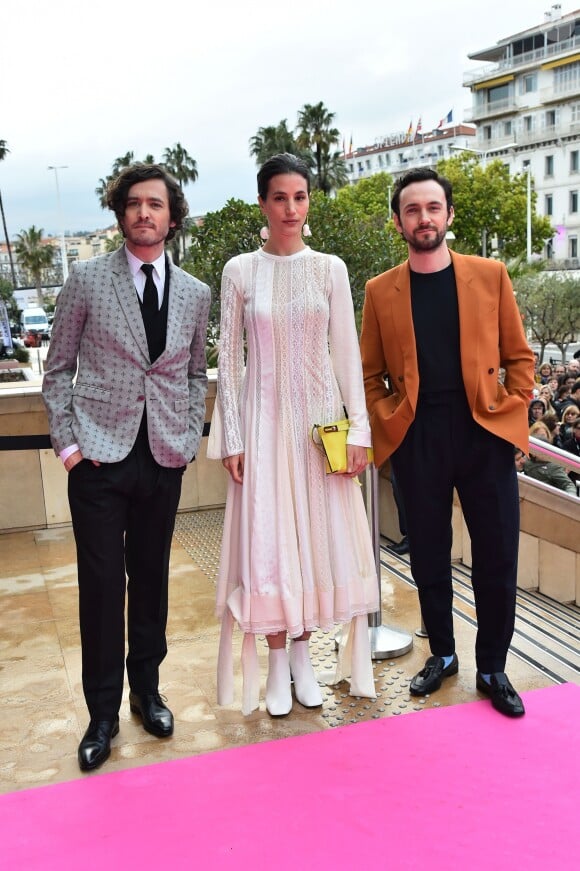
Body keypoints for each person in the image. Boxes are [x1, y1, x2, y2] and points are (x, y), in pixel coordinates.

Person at [42, 163, 211, 771]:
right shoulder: (86, 280)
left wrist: (188, 438)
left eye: (156, 204)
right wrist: (69, 448)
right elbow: (57, 368)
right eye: (135, 204)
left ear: (172, 215)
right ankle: (102, 714)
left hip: (163, 457)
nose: (145, 213)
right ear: (121, 214)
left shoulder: (195, 292)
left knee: (152, 580)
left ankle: (147, 693)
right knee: (101, 587)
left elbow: (194, 375)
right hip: (98, 459)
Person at [208, 153, 378, 717]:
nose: (290, 208)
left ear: (309, 203)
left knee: (316, 542)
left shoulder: (330, 268)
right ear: (263, 202)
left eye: (300, 197)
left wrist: (358, 430)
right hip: (260, 426)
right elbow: (228, 363)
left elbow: (347, 354)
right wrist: (231, 436)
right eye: (279, 197)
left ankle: (305, 656)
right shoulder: (239, 271)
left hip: (319, 429)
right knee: (270, 545)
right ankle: (277, 663)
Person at [360, 168, 535, 718]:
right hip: (418, 438)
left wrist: (511, 414)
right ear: (398, 222)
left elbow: (520, 360)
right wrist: (393, 421)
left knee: (497, 554)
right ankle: (442, 654)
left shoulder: (490, 275)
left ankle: (492, 666)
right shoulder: (379, 290)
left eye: (433, 207)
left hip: (483, 433)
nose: (424, 218)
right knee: (429, 555)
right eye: (412, 210)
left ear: (449, 215)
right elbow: (369, 376)